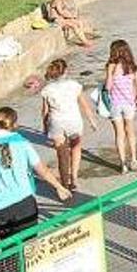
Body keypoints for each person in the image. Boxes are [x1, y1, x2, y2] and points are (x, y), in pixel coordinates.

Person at [0, 107, 71, 240]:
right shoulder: (22, 143)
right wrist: (59, 187)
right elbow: (42, 170)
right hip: (24, 203)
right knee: (29, 245)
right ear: (15, 124)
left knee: (11, 248)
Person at [40, 59, 98, 191]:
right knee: (76, 148)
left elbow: (45, 112)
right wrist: (92, 121)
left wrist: (45, 127)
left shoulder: (47, 90)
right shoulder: (75, 85)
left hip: (56, 122)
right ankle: (74, 178)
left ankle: (64, 182)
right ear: (66, 71)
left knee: (61, 154)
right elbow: (84, 105)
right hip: (74, 121)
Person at [105, 40, 137, 174]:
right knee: (130, 132)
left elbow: (108, 87)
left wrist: (110, 73)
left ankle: (123, 164)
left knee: (119, 134)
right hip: (129, 103)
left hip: (115, 104)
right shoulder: (132, 67)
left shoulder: (111, 66)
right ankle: (134, 159)